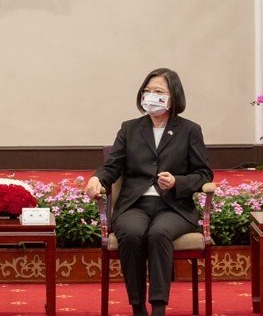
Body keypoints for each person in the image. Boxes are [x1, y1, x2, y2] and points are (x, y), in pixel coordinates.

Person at [85, 69, 213, 316]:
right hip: (135, 204)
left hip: (174, 207)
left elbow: (204, 175)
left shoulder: (189, 130)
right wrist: (97, 179)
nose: (151, 96)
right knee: (131, 233)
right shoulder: (130, 128)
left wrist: (177, 182)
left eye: (159, 92)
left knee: (159, 234)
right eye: (147, 91)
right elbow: (112, 166)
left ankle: (158, 307)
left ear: (173, 97)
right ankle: (137, 307)